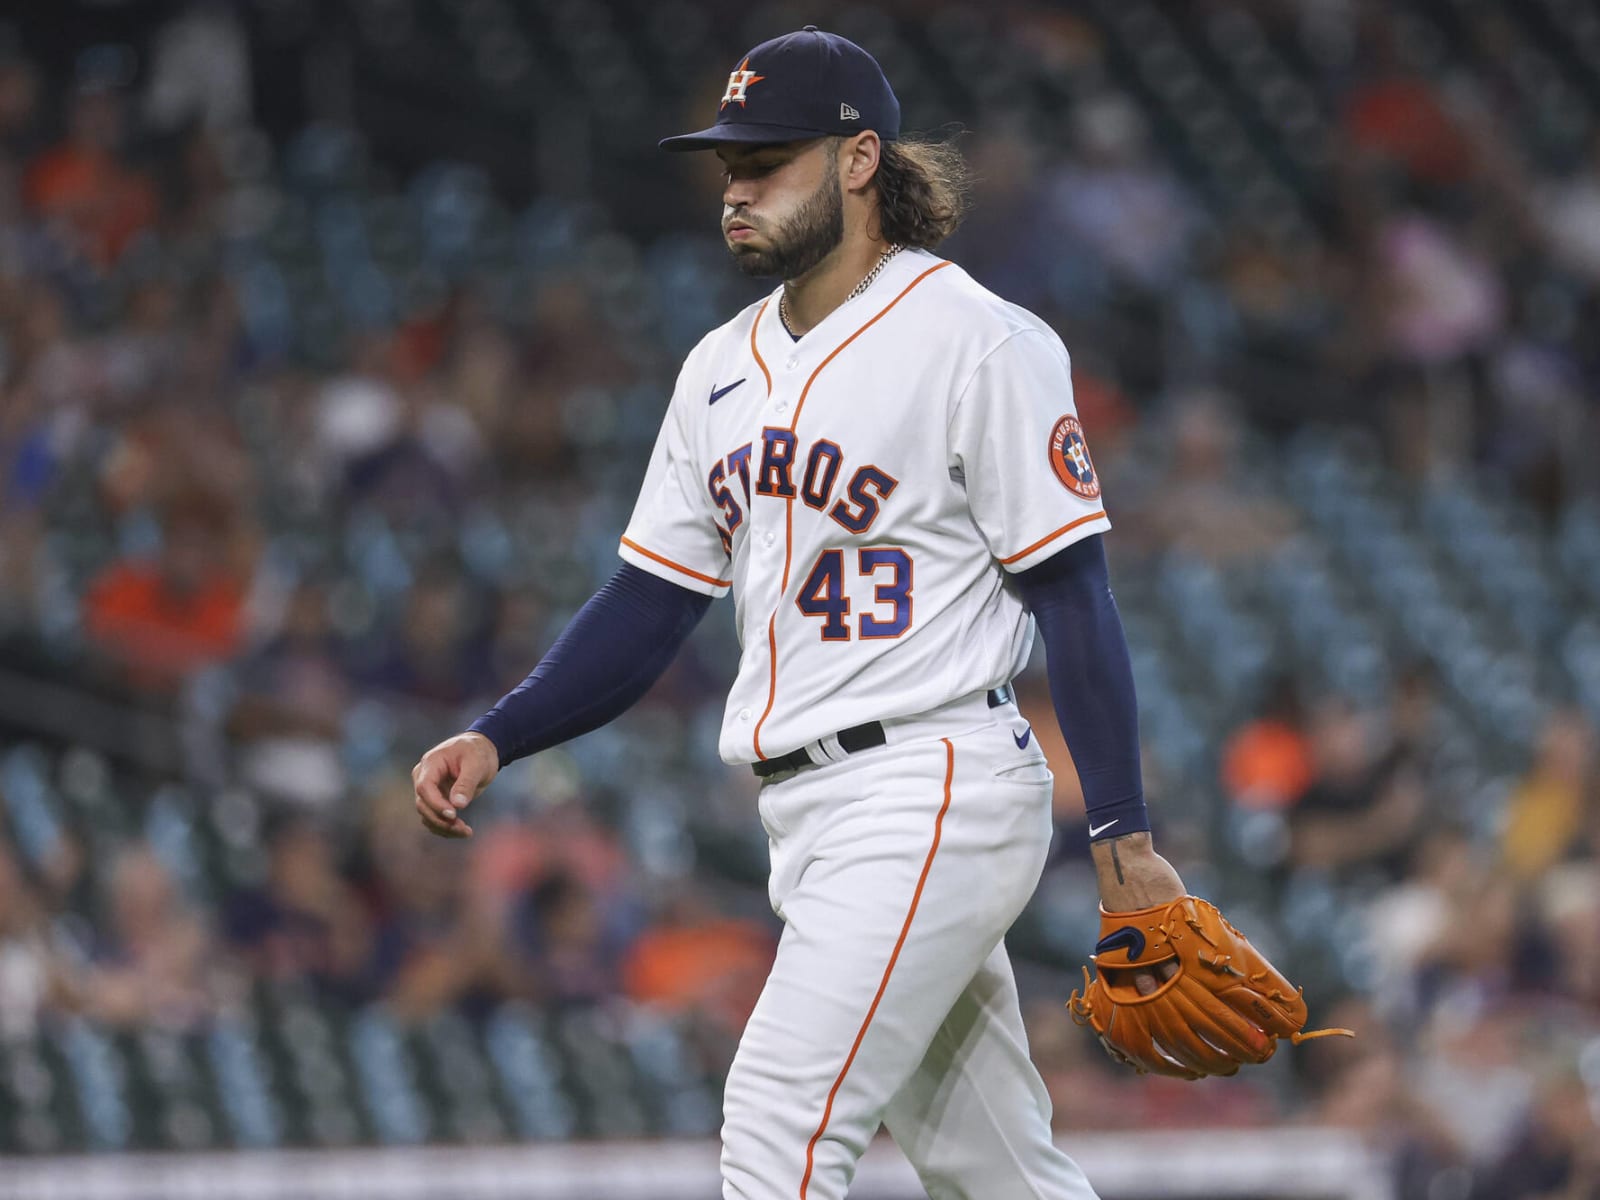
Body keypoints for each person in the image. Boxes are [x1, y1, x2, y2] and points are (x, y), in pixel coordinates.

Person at [413, 28, 1185, 1199]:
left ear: (859, 159)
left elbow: (1073, 595)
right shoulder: (716, 369)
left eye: (769, 160)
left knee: (777, 1120)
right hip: (809, 814)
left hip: (933, 780)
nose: (739, 188)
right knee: (995, 1172)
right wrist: (500, 733)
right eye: (729, 165)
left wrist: (1122, 842)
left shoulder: (976, 341)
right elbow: (652, 599)